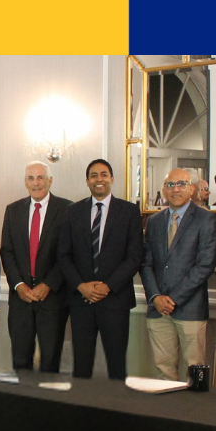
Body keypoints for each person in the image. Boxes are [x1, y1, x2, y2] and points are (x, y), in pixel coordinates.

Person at [58, 158, 143, 380]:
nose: (99, 179)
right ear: (87, 181)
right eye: (93, 175)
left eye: (104, 174)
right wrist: (81, 286)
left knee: (117, 365)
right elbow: (63, 255)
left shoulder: (129, 211)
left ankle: (117, 403)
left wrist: (108, 286)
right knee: (81, 366)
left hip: (115, 300)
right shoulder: (73, 211)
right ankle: (83, 403)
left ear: (112, 179)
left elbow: (134, 257)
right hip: (81, 301)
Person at [139, 169, 216, 380]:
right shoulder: (154, 221)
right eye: (170, 185)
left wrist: (173, 299)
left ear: (191, 189)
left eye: (181, 184)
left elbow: (205, 265)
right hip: (158, 309)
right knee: (164, 372)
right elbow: (145, 263)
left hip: (190, 308)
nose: (176, 189)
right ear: (164, 190)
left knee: (195, 371)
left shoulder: (205, 220)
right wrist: (156, 297)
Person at [0, 161, 72, 372]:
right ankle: (24, 395)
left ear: (50, 181)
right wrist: (18, 285)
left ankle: (46, 395)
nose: (36, 183)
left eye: (40, 177)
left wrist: (48, 284)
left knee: (50, 361)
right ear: (25, 182)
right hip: (21, 299)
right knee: (21, 360)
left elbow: (69, 253)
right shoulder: (13, 210)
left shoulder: (67, 209)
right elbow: (7, 251)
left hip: (53, 298)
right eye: (31, 178)